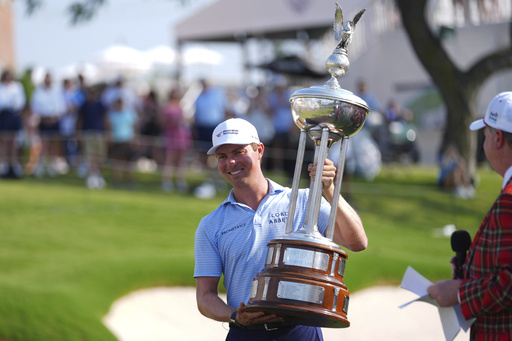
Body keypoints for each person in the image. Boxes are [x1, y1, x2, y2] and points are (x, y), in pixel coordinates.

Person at [194, 118, 367, 341]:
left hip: (300, 331)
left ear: (259, 151)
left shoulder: (303, 200)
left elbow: (358, 242)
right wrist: (235, 315)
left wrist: (330, 189)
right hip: (245, 334)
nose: (232, 162)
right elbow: (204, 296)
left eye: (239, 152)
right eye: (222, 157)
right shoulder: (211, 225)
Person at [427, 91, 512, 340]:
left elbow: (509, 282)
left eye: (484, 134)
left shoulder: (509, 199)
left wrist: (459, 293)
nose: (482, 142)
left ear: (497, 138)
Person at [30, 72, 66, 177]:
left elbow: (61, 108)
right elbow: (35, 107)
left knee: (54, 145)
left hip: (54, 121)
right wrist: (44, 118)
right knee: (44, 145)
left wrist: (53, 118)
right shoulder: (38, 92)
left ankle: (52, 166)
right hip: (43, 121)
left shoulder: (56, 92)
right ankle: (40, 166)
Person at [161, 89, 191, 193]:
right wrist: (171, 122)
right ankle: (166, 181)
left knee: (181, 160)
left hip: (181, 136)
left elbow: (185, 121)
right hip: (171, 136)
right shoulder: (166, 107)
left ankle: (180, 181)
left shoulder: (180, 107)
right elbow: (161, 122)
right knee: (170, 159)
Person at [106, 97, 138, 188]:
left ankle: (129, 181)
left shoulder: (129, 113)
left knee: (128, 163)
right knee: (116, 162)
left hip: (127, 141)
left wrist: (135, 138)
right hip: (116, 141)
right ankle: (117, 181)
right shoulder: (112, 115)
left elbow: (135, 125)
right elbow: (109, 127)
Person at [0, 70, 26, 178]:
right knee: (5, 141)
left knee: (14, 142)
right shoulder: (1, 87)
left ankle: (14, 165)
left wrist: (14, 104)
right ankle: (5, 166)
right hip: (4, 116)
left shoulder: (17, 87)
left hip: (14, 116)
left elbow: (21, 101)